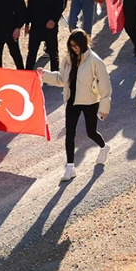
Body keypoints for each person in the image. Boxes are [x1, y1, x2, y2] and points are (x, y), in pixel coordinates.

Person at [39, 29, 112, 182]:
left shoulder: (95, 61)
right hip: (71, 101)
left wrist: (104, 108)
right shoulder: (68, 59)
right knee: (69, 134)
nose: (74, 48)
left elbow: (105, 85)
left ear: (83, 44)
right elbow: (61, 79)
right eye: (71, 46)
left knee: (91, 132)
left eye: (76, 45)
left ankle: (104, 147)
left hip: (90, 102)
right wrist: (44, 74)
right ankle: (70, 167)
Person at [25, 0, 66, 71]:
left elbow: (60, 4)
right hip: (36, 24)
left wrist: (54, 20)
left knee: (53, 52)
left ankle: (54, 76)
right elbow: (30, 5)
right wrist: (27, 23)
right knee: (32, 52)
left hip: (50, 24)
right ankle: (27, 76)